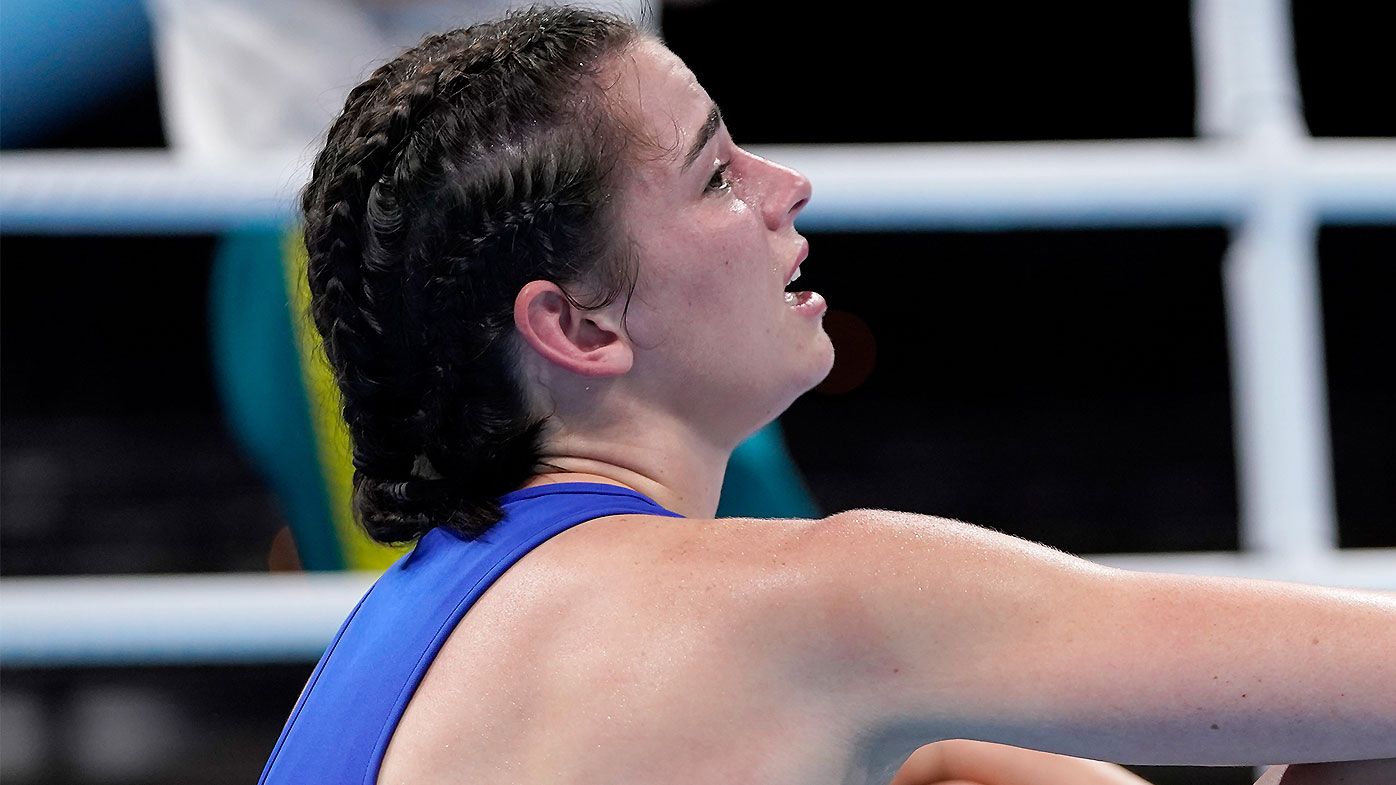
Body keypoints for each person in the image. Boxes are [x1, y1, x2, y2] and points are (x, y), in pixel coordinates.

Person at [258, 6, 1396, 784]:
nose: (787, 187)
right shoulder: (804, 606)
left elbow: (933, 750)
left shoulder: (406, 642)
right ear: (580, 326)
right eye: (716, 174)